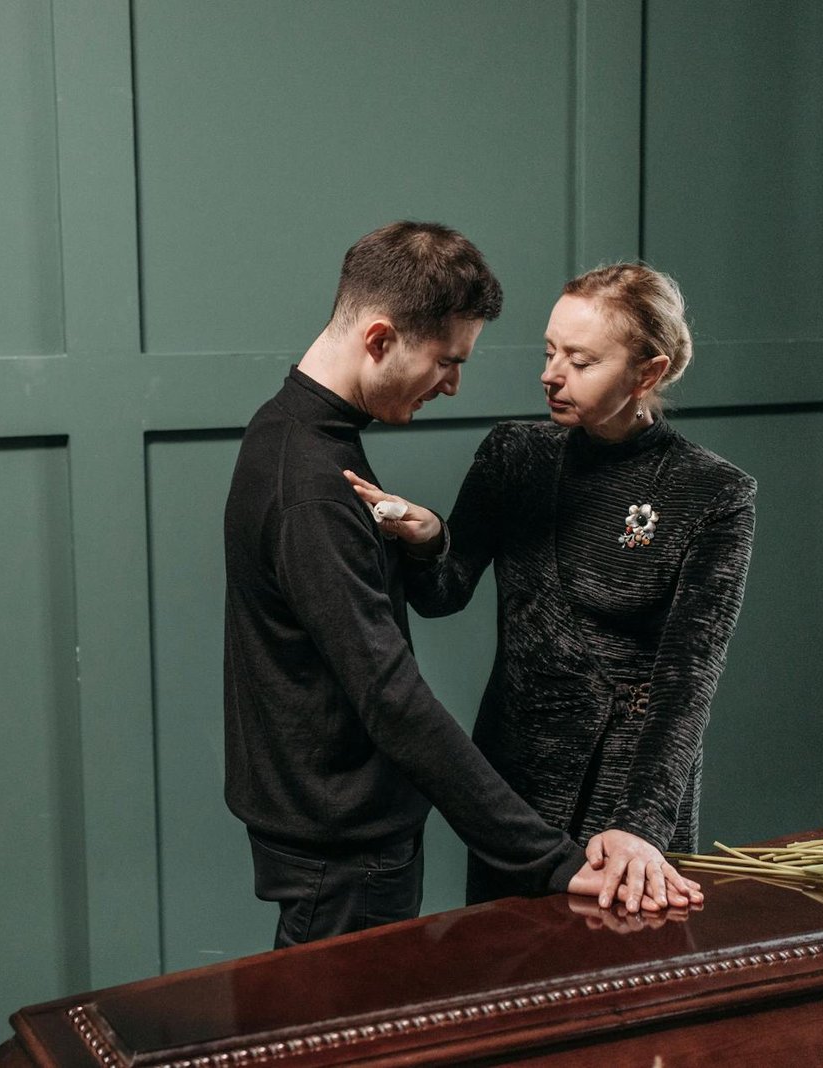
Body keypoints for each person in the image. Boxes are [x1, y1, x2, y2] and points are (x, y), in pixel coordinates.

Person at [224, 224, 701, 949]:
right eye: (446, 362)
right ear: (380, 339)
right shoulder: (311, 485)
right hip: (344, 845)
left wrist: (427, 540)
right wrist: (550, 860)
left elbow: (686, 679)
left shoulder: (292, 434)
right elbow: (391, 696)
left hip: (343, 830)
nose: (452, 385)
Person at [345, 262, 755, 905]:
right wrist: (428, 539)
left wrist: (643, 825)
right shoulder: (515, 454)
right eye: (549, 351)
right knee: (508, 957)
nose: (551, 373)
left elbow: (688, 681)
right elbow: (443, 593)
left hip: (630, 791)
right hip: (516, 785)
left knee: (621, 956)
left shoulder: (713, 492)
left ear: (647, 373)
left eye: (581, 361)